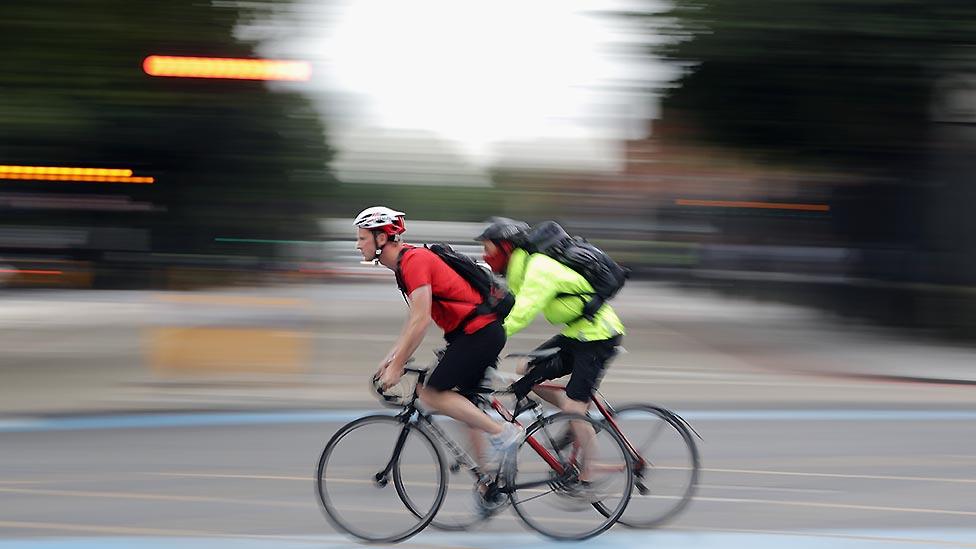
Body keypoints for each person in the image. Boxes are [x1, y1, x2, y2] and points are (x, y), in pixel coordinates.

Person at [354, 206, 522, 471]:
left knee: (432, 394)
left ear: (382, 238)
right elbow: (415, 320)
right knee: (465, 406)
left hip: (479, 333)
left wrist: (398, 367)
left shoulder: (413, 262)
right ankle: (488, 480)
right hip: (472, 334)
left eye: (362, 238)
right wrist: (391, 358)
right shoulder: (405, 265)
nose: (357, 245)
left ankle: (503, 434)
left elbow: (421, 320)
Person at [476, 217, 625, 422]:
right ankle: (580, 417)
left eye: (488, 249)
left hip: (598, 335)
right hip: (578, 333)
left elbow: (523, 312)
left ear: (505, 248)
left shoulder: (538, 269)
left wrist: (484, 337)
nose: (485, 256)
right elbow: (509, 307)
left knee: (574, 408)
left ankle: (581, 423)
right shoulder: (521, 272)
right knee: (526, 368)